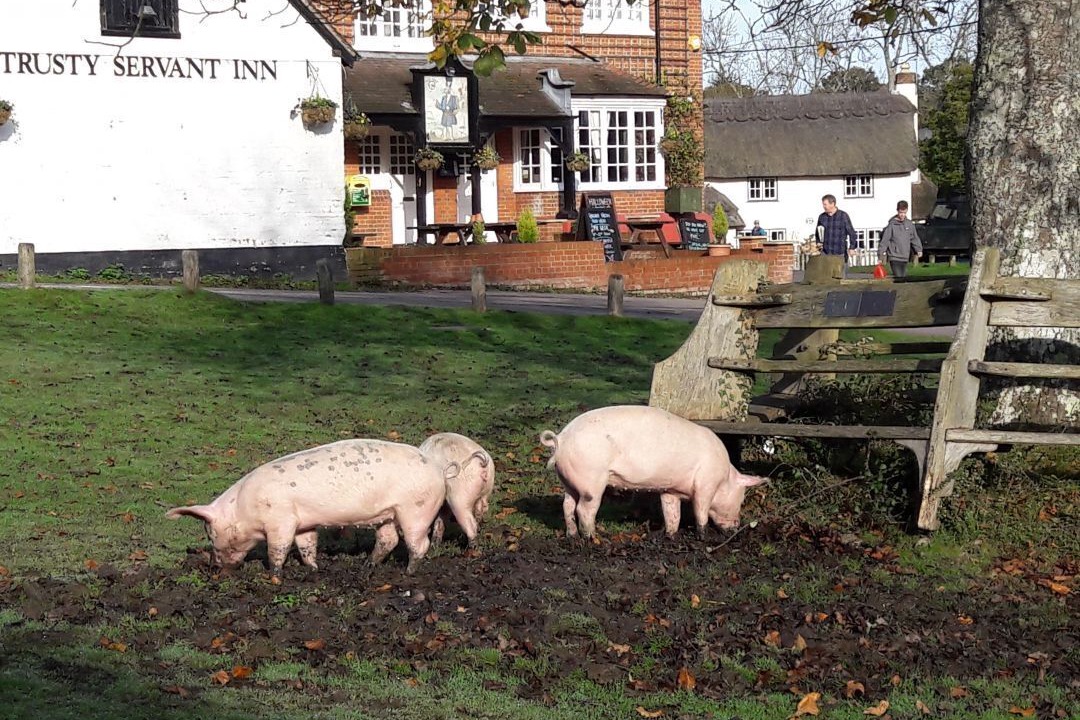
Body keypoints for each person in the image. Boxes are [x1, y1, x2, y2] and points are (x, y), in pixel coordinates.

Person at [878, 200, 922, 278]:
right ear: (897, 211)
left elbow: (914, 238)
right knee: (899, 277)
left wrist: (918, 249)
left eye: (904, 213)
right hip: (894, 257)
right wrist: (880, 256)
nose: (902, 215)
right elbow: (885, 241)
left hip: (905, 257)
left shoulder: (909, 224)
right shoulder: (892, 225)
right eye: (901, 212)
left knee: (904, 278)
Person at [815, 195, 857, 270]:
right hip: (826, 253)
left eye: (825, 204)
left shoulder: (843, 216)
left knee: (840, 278)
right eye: (823, 204)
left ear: (832, 204)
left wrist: (852, 248)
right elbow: (818, 232)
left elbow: (852, 233)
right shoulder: (822, 217)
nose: (823, 206)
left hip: (839, 253)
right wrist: (818, 242)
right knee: (826, 278)